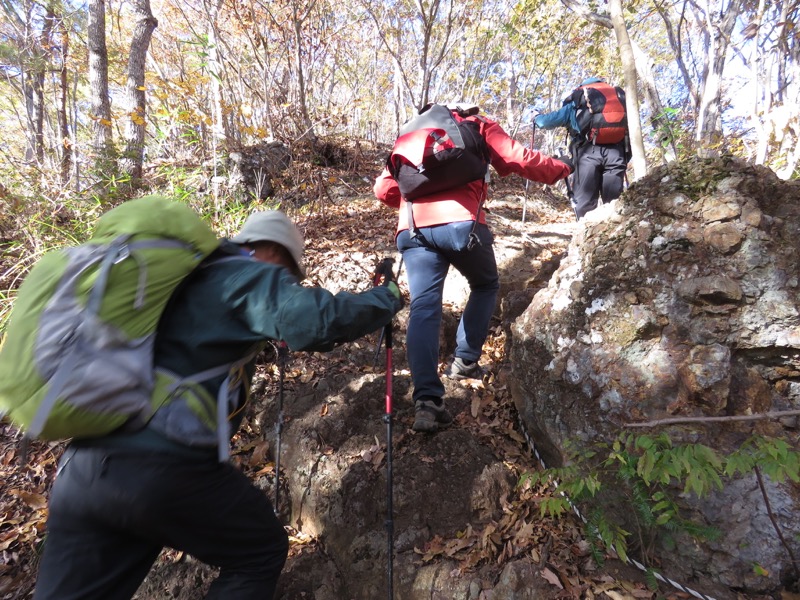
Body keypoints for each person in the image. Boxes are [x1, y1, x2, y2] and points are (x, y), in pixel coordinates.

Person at [32, 210, 402, 600]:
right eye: (291, 275)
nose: (290, 283)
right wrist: (385, 297)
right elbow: (317, 321)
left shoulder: (183, 278)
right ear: (273, 252)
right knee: (260, 551)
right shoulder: (247, 274)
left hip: (84, 468)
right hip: (161, 469)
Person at [374, 103, 571, 434]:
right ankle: (464, 362)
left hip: (413, 230)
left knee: (423, 305)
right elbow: (517, 157)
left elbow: (384, 189)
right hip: (462, 225)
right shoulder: (477, 125)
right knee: (485, 285)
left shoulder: (410, 135)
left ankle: (427, 401)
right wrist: (562, 169)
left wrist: (419, 204)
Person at [534, 76, 629, 220]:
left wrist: (536, 117)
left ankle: (586, 237)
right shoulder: (619, 97)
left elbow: (545, 122)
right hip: (617, 152)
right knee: (614, 203)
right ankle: (616, 236)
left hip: (587, 153)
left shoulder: (579, 99)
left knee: (584, 203)